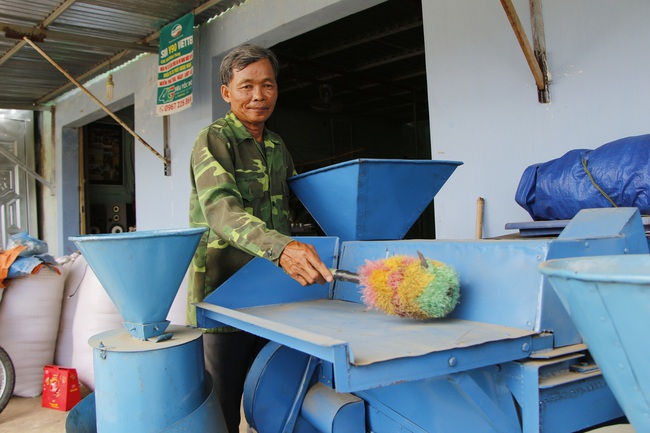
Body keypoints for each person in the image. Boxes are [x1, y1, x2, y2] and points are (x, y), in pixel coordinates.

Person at [188, 43, 333, 433]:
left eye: (267, 85)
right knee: (221, 409)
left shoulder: (276, 146)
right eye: (247, 86)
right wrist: (281, 247)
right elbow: (221, 210)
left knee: (269, 398)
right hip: (225, 297)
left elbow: (297, 207)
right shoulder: (214, 140)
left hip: (272, 296)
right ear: (226, 92)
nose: (258, 96)